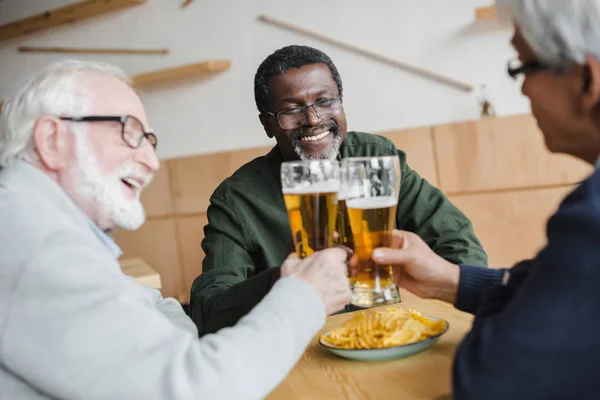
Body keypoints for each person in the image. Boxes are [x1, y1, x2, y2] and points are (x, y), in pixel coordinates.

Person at [0, 60, 353, 400]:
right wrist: (303, 295)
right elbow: (197, 389)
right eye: (129, 132)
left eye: (148, 140)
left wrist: (185, 349)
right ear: (52, 140)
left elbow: (144, 304)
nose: (151, 162)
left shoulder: (30, 223)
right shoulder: (38, 244)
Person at [370, 1, 600, 398]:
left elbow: (488, 378)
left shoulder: (590, 218)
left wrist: (511, 315)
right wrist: (451, 280)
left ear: (587, 80)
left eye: (524, 67)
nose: (524, 87)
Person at [190, 44, 488, 336]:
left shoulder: (374, 157)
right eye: (291, 109)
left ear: (341, 102)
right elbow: (208, 311)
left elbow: (461, 248)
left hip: (383, 337)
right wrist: (282, 279)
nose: (313, 119)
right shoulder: (237, 199)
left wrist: (432, 296)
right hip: (295, 353)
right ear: (268, 123)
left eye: (325, 101)